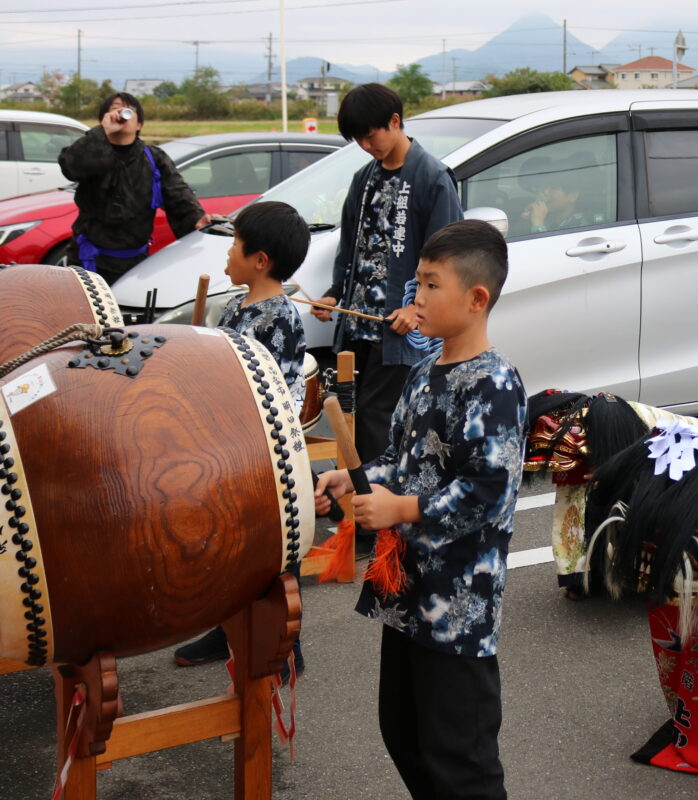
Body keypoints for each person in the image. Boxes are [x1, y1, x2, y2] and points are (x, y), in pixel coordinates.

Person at [314, 220, 525, 800]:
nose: (416, 299)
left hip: (457, 607)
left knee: (461, 757)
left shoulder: (495, 383)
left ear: (476, 298)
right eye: (417, 284)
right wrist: (351, 479)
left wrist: (400, 507)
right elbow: (404, 461)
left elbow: (488, 491)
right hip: (407, 594)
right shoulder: (423, 371)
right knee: (404, 733)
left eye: (432, 285)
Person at [173, 200, 310, 674]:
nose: (226, 255)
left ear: (260, 260)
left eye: (234, 244)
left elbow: (276, 395)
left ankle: (285, 643)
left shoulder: (280, 319)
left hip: (264, 452)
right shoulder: (237, 306)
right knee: (232, 547)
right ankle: (226, 624)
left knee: (273, 550)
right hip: (229, 446)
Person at [311, 83, 462, 466]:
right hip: (358, 325)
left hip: (399, 327)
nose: (365, 144)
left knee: (376, 422)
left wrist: (416, 310)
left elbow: (448, 260)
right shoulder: (364, 179)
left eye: (369, 134)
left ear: (395, 121)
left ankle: (371, 520)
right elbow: (352, 247)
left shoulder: (432, 178)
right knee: (349, 415)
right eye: (357, 138)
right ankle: (355, 505)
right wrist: (334, 294)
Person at [58, 92, 210, 286]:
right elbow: (71, 166)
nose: (121, 114)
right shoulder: (91, 151)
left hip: (136, 263)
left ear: (138, 124)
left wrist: (196, 217)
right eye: (114, 109)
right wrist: (102, 131)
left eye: (128, 110)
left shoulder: (154, 158)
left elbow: (177, 192)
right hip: (89, 260)